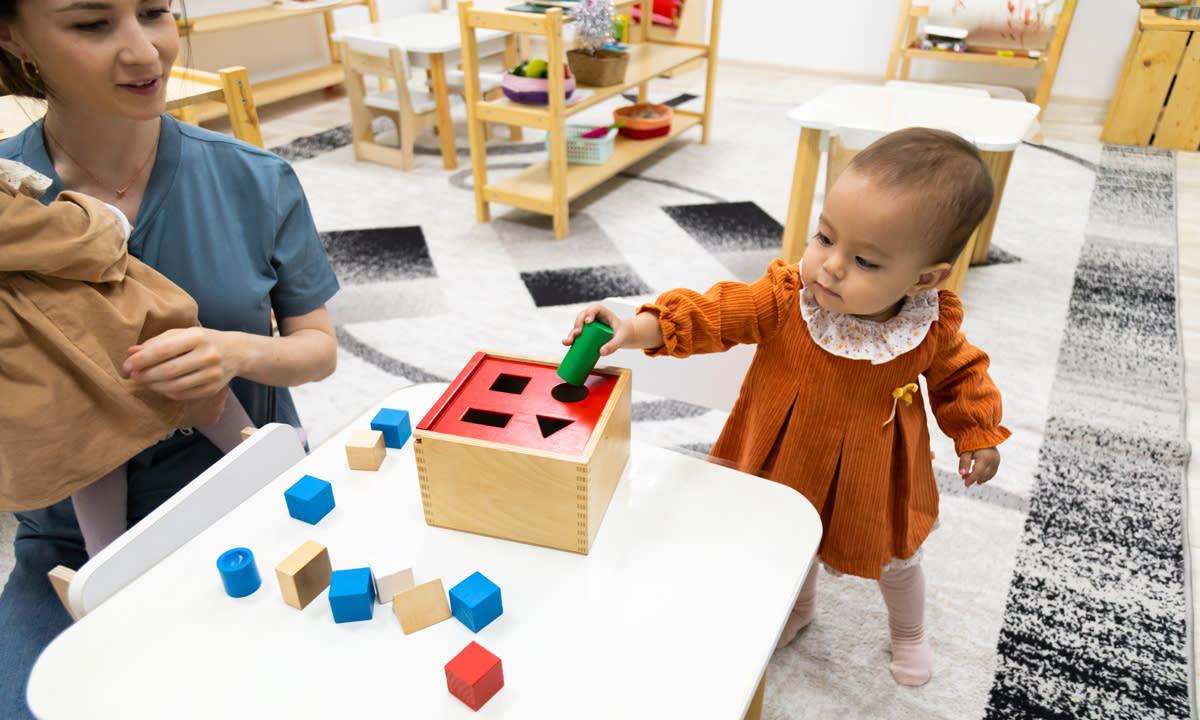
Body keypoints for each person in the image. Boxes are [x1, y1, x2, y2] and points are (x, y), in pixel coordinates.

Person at [564, 127, 1011, 687]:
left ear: (924, 278)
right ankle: (798, 607)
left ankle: (909, 632)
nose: (830, 266)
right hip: (783, 452)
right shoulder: (784, 299)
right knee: (785, 536)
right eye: (823, 237)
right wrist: (634, 326)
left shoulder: (927, 327)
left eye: (865, 262)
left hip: (874, 470)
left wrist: (979, 433)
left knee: (897, 558)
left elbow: (962, 378)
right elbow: (713, 315)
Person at [0, 1, 340, 717]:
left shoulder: (257, 179)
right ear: (13, 36)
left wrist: (232, 352)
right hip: (74, 540)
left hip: (252, 495)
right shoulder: (10, 201)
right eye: (91, 25)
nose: (145, 52)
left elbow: (318, 352)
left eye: (154, 11)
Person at [0, 157, 254, 558]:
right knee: (173, 355)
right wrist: (103, 219)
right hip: (71, 326)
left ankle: (104, 549)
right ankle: (253, 451)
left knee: (92, 436)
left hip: (42, 355)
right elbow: (64, 238)